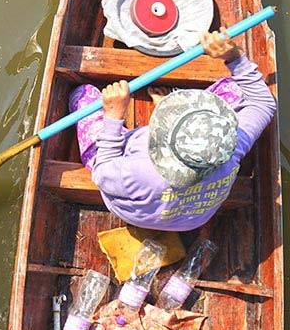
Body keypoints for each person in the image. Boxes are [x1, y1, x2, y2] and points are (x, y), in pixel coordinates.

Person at [68, 30, 276, 231]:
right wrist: (234, 57)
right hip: (193, 220)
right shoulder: (231, 147)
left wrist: (114, 117)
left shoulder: (136, 169)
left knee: (83, 94)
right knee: (238, 86)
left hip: (134, 210)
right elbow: (264, 103)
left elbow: (103, 173)